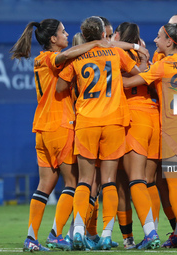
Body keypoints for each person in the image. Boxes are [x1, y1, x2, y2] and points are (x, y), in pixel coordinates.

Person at [10, 18, 110, 252]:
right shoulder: (50, 58)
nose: (67, 35)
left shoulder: (39, 60)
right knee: (74, 183)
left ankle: (31, 238)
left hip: (42, 129)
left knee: (45, 185)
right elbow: (65, 56)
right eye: (63, 32)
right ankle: (55, 234)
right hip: (60, 125)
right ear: (53, 39)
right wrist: (96, 43)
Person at [56, 16, 142, 251]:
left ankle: (79, 230)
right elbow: (138, 72)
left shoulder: (76, 56)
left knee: (84, 180)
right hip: (113, 121)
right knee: (109, 181)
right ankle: (106, 234)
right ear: (104, 33)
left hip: (86, 122)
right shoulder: (115, 54)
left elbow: (60, 87)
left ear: (83, 36)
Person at [123, 22, 177, 249]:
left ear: (170, 42)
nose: (155, 40)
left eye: (159, 37)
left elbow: (130, 82)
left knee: (175, 183)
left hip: (176, 127)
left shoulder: (162, 65)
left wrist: (103, 78)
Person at [112, 22, 161, 250]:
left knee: (130, 181)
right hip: (154, 117)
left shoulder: (115, 53)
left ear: (119, 35)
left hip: (131, 118)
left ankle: (142, 235)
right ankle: (159, 230)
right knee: (149, 182)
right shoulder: (145, 57)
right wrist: (143, 57)